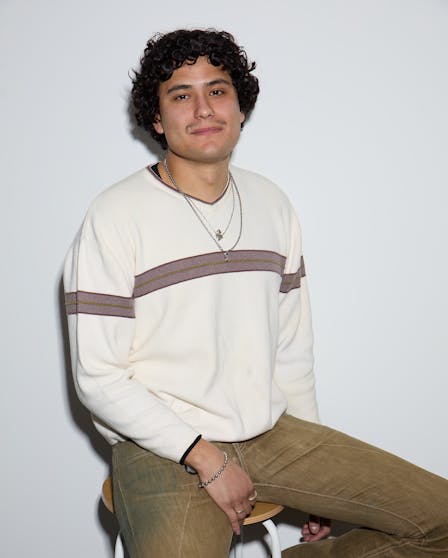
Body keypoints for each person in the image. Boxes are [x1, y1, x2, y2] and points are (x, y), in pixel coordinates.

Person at [64, 29, 448, 557]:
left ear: (240, 107)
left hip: (270, 434)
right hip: (161, 447)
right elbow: (99, 378)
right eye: (181, 95)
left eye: (218, 91)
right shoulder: (114, 216)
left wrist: (318, 487)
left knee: (440, 523)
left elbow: (291, 350)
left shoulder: (272, 203)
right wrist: (206, 459)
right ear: (156, 118)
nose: (203, 108)